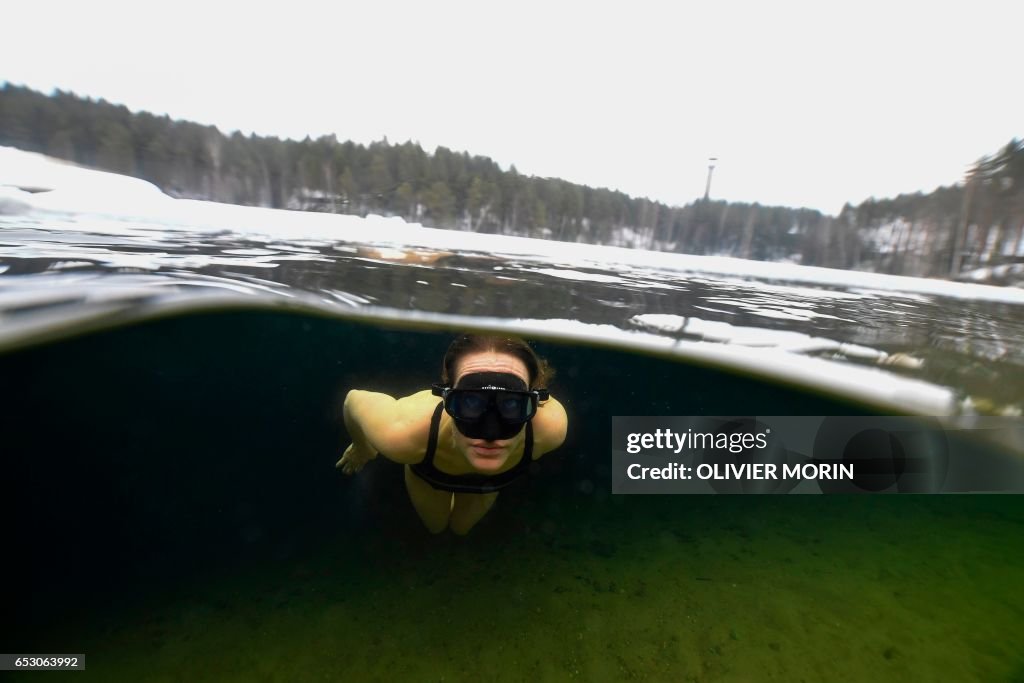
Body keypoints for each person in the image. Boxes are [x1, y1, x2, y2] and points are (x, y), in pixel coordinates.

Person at [337, 333, 568, 535]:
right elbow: (353, 400)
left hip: (489, 482)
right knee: (436, 526)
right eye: (469, 402)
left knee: (461, 528)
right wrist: (363, 446)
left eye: (512, 404)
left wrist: (363, 446)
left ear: (535, 402)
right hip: (429, 469)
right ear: (445, 397)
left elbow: (352, 400)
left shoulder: (549, 427)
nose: (490, 434)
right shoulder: (403, 432)